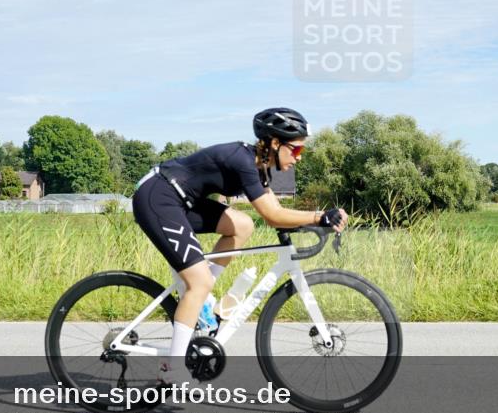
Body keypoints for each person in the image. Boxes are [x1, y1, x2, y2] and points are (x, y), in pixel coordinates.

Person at [131, 107, 348, 384]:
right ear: (274, 142)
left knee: (242, 225)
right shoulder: (243, 161)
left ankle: (203, 304)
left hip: (182, 200)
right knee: (198, 283)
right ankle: (172, 368)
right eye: (295, 150)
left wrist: (316, 222)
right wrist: (319, 216)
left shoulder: (261, 168)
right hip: (158, 196)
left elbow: (275, 211)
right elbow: (273, 216)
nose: (299, 158)